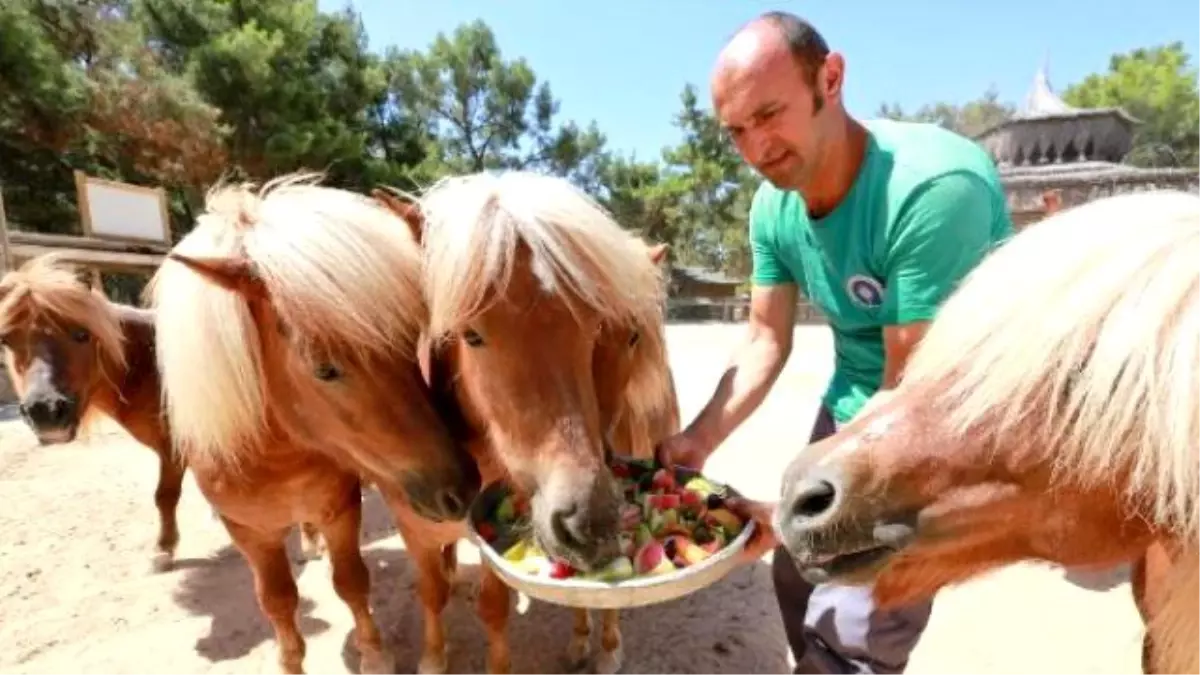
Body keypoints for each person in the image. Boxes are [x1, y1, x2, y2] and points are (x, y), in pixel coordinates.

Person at [654, 11, 1014, 675]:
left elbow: (910, 392)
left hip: (949, 414)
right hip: (857, 402)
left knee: (854, 620)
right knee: (795, 576)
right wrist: (695, 441)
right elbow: (765, 336)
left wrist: (794, 514)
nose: (757, 147)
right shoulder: (773, 206)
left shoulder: (930, 190)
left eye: (770, 114)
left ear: (832, 77)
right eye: (737, 130)